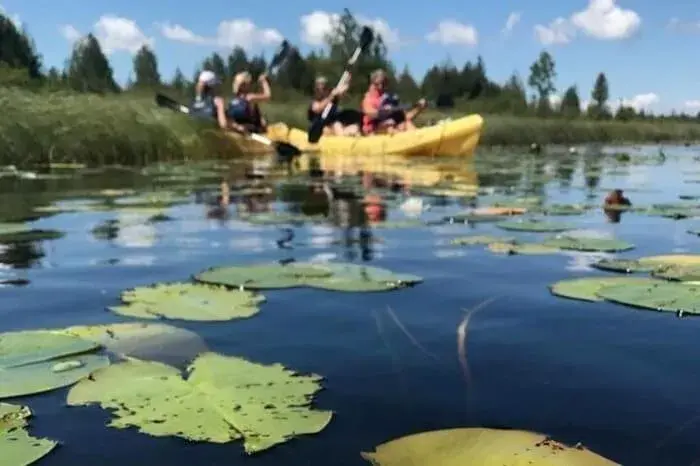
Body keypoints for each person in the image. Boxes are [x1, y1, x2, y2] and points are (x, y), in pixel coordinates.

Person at [361, 69, 427, 135]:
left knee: (406, 123)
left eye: (384, 83)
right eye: (378, 84)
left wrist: (418, 108)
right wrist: (385, 111)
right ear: (372, 83)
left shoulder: (389, 99)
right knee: (389, 125)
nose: (381, 87)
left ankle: (420, 139)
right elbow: (371, 114)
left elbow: (405, 117)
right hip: (375, 131)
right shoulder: (367, 100)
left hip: (392, 128)